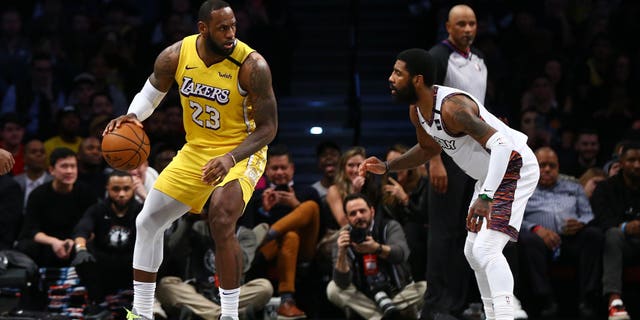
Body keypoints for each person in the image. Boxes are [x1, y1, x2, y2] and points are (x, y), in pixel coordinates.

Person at [102, 1, 278, 319]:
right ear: (203, 29)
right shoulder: (175, 56)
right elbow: (151, 94)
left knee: (221, 219)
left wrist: (229, 157)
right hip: (197, 149)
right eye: (223, 28)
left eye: (234, 26)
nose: (231, 34)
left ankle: (229, 315)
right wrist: (131, 115)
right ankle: (141, 312)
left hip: (243, 151)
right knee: (147, 222)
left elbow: (269, 128)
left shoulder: (253, 65)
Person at [359, 48, 539, 320]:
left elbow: (502, 145)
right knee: (472, 252)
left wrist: (486, 197)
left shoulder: (453, 108)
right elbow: (428, 148)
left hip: (514, 167)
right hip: (491, 176)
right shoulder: (417, 111)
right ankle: (493, 314)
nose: (391, 78)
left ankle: (505, 314)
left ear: (417, 80)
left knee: (486, 249)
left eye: (398, 73)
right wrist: (387, 166)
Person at [426, 5, 497, 319]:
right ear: (448, 27)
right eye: (461, 24)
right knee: (443, 232)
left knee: (472, 231)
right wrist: (434, 160)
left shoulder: (479, 59)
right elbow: (425, 111)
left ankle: (459, 303)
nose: (468, 29)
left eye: (472, 23)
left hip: (477, 155)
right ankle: (436, 305)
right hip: (448, 155)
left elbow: (480, 108)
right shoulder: (437, 58)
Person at [518, 147, 602, 318]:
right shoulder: (523, 188)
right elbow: (515, 219)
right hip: (540, 243)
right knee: (527, 239)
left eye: (552, 165)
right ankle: (546, 300)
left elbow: (587, 214)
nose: (547, 169)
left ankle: (587, 298)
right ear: (533, 166)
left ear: (558, 167)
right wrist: (536, 229)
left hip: (571, 239)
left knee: (594, 234)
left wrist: (580, 224)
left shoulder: (574, 186)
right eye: (542, 165)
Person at [242, 144, 320, 319]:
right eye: (274, 168)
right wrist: (264, 211)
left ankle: (271, 233)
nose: (279, 172)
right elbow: (248, 231)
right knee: (290, 236)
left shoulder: (307, 191)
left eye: (283, 167)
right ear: (266, 171)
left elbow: (317, 226)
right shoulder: (257, 196)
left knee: (310, 207)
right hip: (267, 252)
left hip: (304, 250)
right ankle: (287, 300)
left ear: (292, 169)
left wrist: (295, 205)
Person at [326, 193, 426, 320]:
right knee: (333, 289)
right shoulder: (343, 238)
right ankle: (385, 316)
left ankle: (380, 313)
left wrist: (377, 248)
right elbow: (342, 283)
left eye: (362, 211)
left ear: (372, 211)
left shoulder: (389, 226)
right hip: (364, 296)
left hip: (396, 292)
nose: (359, 216)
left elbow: (401, 254)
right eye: (353, 214)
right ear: (347, 218)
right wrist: (341, 252)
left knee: (425, 289)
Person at [157, 215, 273, 320]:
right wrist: (188, 220)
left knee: (265, 287)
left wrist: (226, 235)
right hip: (197, 292)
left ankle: (205, 314)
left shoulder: (245, 235)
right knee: (166, 285)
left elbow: (242, 266)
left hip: (231, 293)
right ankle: (225, 315)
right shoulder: (197, 227)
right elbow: (173, 250)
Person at [71, 171, 142, 316]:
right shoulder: (98, 209)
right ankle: (97, 301)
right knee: (83, 252)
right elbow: (82, 229)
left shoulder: (142, 210)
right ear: (107, 189)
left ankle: (140, 298)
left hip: (133, 266)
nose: (121, 194)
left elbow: (160, 228)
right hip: (104, 266)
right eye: (116, 189)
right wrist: (80, 249)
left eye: (126, 189)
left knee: (161, 248)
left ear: (133, 189)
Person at [17, 147, 97, 268]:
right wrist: (54, 242)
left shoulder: (86, 192)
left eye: (73, 166)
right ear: (51, 170)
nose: (69, 171)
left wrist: (74, 241)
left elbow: (92, 228)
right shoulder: (38, 194)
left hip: (77, 242)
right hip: (47, 243)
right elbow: (31, 230)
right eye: (64, 166)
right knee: (26, 246)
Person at [591, 141, 640, 320]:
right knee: (613, 233)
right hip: (621, 244)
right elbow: (600, 218)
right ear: (621, 161)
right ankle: (614, 300)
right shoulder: (606, 187)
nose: (637, 165)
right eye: (632, 160)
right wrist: (626, 227)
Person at [380, 144, 429, 282]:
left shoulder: (423, 184)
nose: (396, 169)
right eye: (392, 165)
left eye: (400, 163)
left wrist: (405, 199)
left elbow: (424, 217)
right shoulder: (384, 189)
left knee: (412, 230)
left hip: (420, 238)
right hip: (395, 238)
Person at [13, 139, 52, 212]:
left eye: (42, 152)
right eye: (33, 152)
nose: (39, 154)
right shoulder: (14, 183)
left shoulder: (54, 183)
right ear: (24, 157)